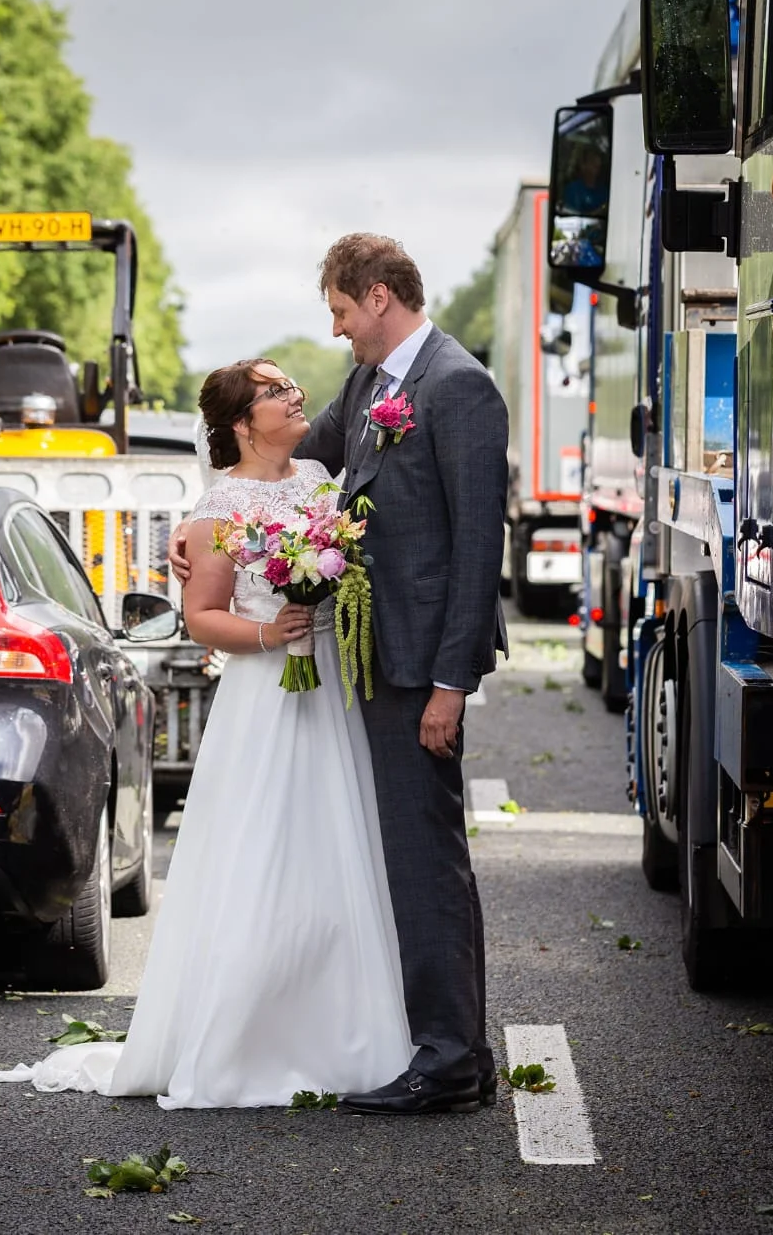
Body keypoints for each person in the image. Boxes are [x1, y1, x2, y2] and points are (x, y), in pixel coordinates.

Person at [0, 358, 413, 1108]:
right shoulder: (217, 509)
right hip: (265, 697)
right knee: (257, 857)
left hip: (328, 690)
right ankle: (241, 1039)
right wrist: (272, 633)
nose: (294, 395)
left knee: (335, 853)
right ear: (243, 422)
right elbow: (205, 616)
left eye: (288, 385)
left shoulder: (318, 482)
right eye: (275, 391)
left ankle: (346, 1033)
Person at [172, 233, 508, 1116]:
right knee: (397, 856)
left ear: (381, 296)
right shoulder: (370, 386)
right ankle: (448, 1044)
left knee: (427, 859)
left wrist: (452, 683)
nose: (336, 331)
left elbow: (478, 547)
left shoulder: (458, 385)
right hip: (363, 662)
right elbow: (273, 471)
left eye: (340, 310)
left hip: (414, 665)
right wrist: (196, 532)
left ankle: (449, 1061)